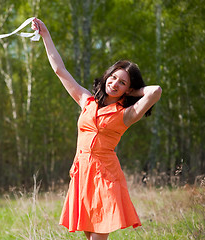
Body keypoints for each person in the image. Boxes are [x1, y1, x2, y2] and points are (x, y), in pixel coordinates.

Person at [31, 18, 162, 240]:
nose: (114, 83)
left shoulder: (126, 114)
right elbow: (59, 70)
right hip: (82, 172)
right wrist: (46, 35)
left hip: (106, 176)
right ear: (106, 77)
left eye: (122, 83)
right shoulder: (86, 100)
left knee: (97, 238)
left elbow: (155, 91)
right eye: (113, 77)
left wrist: (133, 92)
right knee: (89, 234)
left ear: (127, 89)